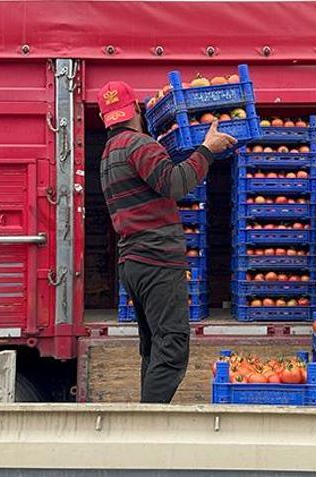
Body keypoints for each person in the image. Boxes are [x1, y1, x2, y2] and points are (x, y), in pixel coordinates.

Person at [97, 81, 236, 403]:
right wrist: (206, 151)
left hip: (133, 260)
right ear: (134, 109)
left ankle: (147, 418)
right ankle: (149, 423)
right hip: (157, 259)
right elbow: (174, 184)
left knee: (154, 346)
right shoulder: (140, 145)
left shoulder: (110, 153)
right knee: (172, 345)